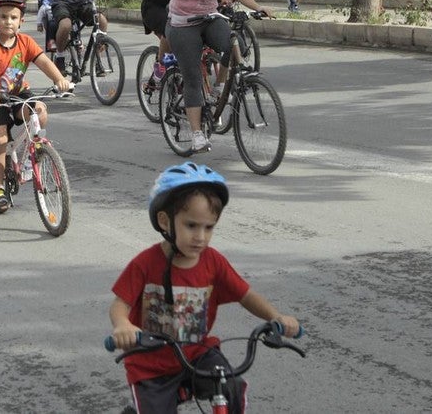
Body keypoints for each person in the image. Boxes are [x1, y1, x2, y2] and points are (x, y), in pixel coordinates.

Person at [109, 162, 300, 414]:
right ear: (165, 221)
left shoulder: (213, 262)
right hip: (151, 364)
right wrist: (123, 326)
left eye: (208, 227)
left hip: (198, 354)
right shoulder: (145, 264)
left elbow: (246, 295)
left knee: (231, 386)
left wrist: (276, 317)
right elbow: (119, 306)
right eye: (191, 225)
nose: (200, 236)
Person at [164, 0, 270, 153]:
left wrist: (256, 7)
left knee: (237, 46)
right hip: (182, 24)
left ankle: (221, 87)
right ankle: (197, 134)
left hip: (209, 18)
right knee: (192, 78)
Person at [0, 0, 69, 213]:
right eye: (3, 17)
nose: (8, 22)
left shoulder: (25, 42)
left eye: (13, 17)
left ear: (21, 21)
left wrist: (60, 79)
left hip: (17, 94)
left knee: (40, 111)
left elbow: (44, 62)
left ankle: (32, 156)